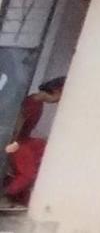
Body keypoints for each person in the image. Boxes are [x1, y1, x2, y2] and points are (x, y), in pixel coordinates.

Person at [2, 74, 61, 208]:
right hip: (16, 141)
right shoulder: (32, 103)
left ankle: (18, 192)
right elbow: (18, 124)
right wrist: (11, 145)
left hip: (22, 139)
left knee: (44, 147)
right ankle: (5, 195)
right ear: (57, 91)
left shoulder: (36, 102)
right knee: (28, 174)